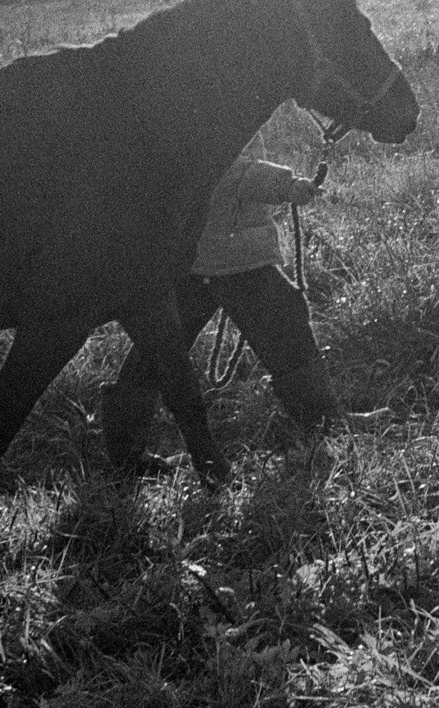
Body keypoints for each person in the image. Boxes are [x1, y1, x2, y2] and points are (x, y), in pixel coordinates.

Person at [98, 145, 343, 473]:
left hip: (201, 249)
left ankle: (125, 453)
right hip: (221, 249)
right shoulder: (206, 103)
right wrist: (281, 184)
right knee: (284, 323)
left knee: (159, 348)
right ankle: (326, 429)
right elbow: (221, 167)